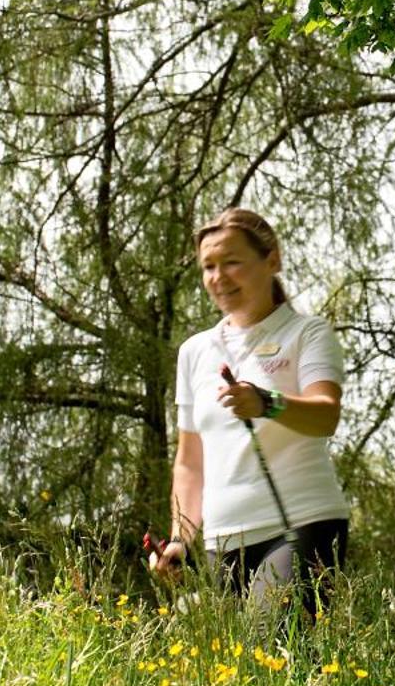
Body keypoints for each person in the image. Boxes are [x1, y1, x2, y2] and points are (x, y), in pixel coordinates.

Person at [146, 208, 350, 613]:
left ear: (271, 260)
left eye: (232, 262)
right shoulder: (195, 351)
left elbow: (325, 415)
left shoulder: (306, 333)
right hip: (221, 540)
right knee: (230, 668)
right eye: (209, 267)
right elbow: (190, 463)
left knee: (273, 647)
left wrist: (267, 403)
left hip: (301, 525)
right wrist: (179, 539)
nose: (219, 277)